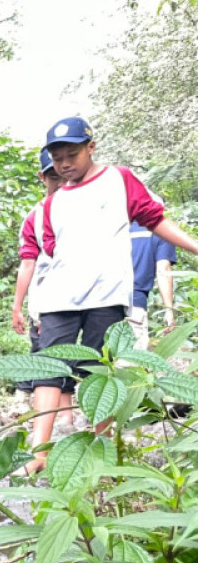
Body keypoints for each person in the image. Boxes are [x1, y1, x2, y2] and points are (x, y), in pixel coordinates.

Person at [26, 116, 198, 469]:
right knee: (48, 369)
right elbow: (48, 255)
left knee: (98, 371)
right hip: (59, 299)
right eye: (57, 159)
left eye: (72, 154)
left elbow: (155, 219)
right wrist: (35, 305)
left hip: (107, 297)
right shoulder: (52, 203)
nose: (64, 164)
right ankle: (39, 453)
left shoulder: (119, 180)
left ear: (91, 147)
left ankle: (99, 446)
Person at [12, 147, 73, 422]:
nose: (59, 182)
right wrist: (18, 307)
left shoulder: (85, 209)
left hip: (82, 300)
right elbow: (28, 263)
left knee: (71, 360)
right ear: (43, 177)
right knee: (46, 360)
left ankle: (67, 420)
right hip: (46, 301)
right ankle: (49, 423)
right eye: (53, 177)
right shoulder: (34, 218)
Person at [127, 220, 179, 348]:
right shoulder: (162, 231)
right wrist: (169, 310)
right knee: (130, 362)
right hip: (134, 303)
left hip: (101, 303)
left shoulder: (119, 225)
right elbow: (163, 270)